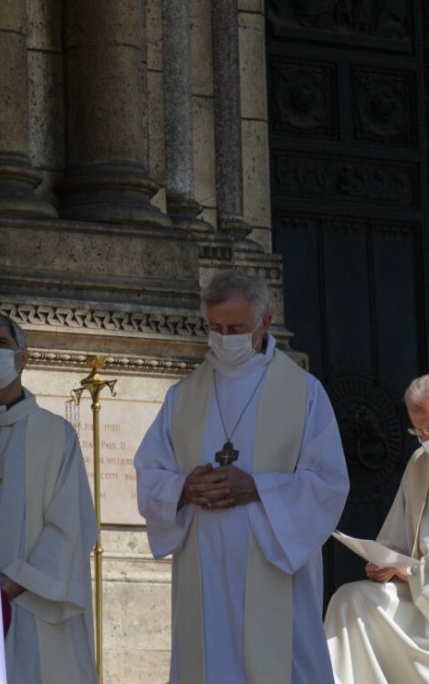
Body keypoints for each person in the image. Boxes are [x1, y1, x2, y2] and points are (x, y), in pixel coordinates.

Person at [134, 268, 349, 684]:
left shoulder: (304, 392)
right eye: (215, 328)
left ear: (265, 323)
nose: (224, 338)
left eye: (236, 328)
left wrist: (258, 487)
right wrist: (184, 488)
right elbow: (150, 472)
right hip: (204, 567)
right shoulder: (183, 396)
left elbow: (328, 482)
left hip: (272, 564)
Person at [0, 312, 98, 684]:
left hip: (35, 602)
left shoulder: (56, 435)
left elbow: (72, 524)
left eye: (0, 344)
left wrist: (8, 586)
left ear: (24, 357)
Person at [324, 374, 429, 683]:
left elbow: (410, 570)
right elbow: (396, 542)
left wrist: (408, 573)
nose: (423, 439)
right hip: (419, 598)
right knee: (349, 601)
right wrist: (386, 562)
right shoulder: (420, 464)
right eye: (417, 430)